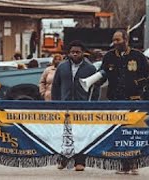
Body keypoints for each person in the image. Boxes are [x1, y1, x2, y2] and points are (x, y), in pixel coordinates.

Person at [99, 29, 149, 175]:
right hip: (115, 100)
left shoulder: (137, 56)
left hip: (133, 100)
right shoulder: (109, 57)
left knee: (133, 133)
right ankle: (122, 163)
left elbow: (148, 74)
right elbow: (102, 74)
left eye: (118, 40)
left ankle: (134, 163)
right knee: (118, 133)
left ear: (126, 40)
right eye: (114, 40)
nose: (115, 43)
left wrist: (137, 83)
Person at [51, 40, 99, 171]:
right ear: (69, 53)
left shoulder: (90, 68)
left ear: (83, 53)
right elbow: (55, 86)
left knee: (81, 135)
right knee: (64, 134)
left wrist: (93, 105)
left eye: (78, 52)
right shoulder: (62, 67)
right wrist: (55, 103)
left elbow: (95, 89)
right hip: (64, 105)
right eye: (72, 52)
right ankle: (63, 160)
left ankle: (80, 162)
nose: (75, 54)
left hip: (82, 106)